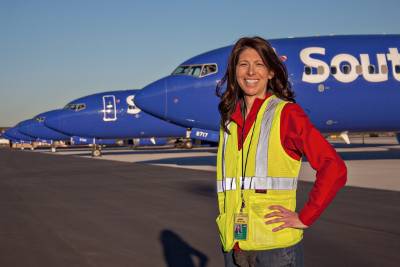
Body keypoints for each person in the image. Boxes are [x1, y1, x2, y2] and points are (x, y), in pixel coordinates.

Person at [215, 36, 347, 267]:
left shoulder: (285, 114)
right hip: (235, 244)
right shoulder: (230, 122)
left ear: (271, 72)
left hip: (274, 250)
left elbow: (334, 167)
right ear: (234, 71)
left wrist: (305, 217)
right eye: (243, 64)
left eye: (259, 64)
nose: (251, 72)